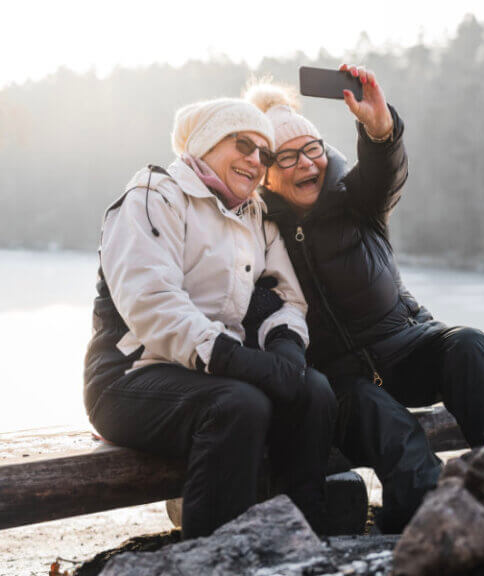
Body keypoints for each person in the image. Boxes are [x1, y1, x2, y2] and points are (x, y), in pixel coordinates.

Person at [245, 66, 484, 533]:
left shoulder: (354, 199)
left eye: (311, 150)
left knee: (469, 345)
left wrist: (379, 128)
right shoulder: (257, 231)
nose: (306, 164)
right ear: (266, 175)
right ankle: (434, 517)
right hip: (341, 386)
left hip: (406, 346)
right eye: (287, 158)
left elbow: (385, 168)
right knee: (387, 423)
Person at [83, 97, 336, 539]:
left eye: (264, 153)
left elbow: (286, 297)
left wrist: (285, 348)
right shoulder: (153, 194)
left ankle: (296, 543)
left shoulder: (254, 214)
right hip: (129, 377)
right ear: (206, 144)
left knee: (312, 390)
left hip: (214, 374)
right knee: (238, 405)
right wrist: (233, 359)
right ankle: (214, 557)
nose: (255, 161)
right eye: (243, 144)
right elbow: (151, 302)